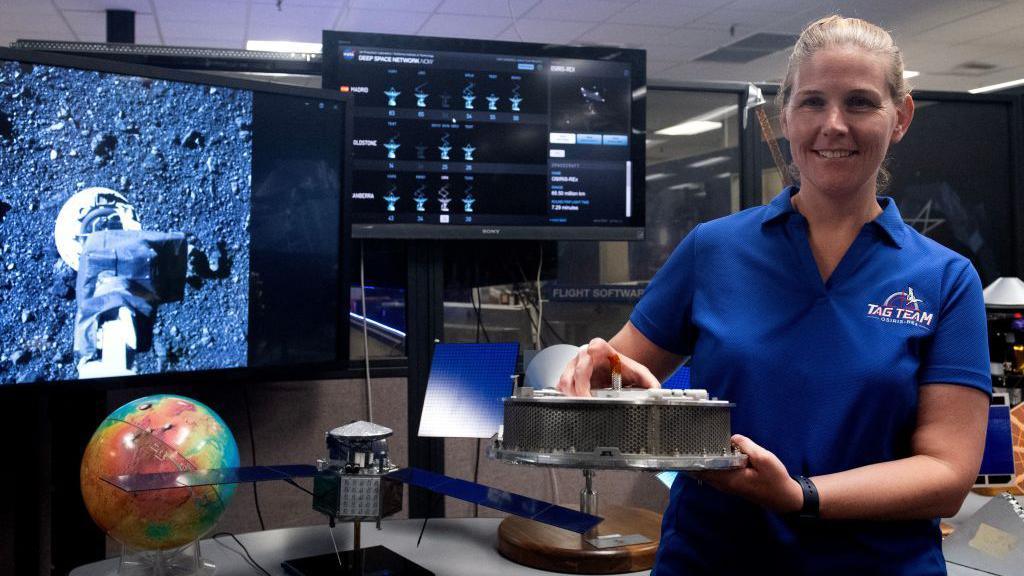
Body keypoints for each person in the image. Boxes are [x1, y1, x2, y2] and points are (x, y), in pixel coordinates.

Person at [559, 15, 990, 575]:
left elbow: (946, 475)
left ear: (901, 117)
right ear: (784, 116)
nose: (833, 125)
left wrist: (800, 496)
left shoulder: (947, 279)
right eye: (812, 102)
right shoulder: (712, 250)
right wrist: (602, 375)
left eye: (860, 102)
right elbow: (608, 388)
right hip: (713, 561)